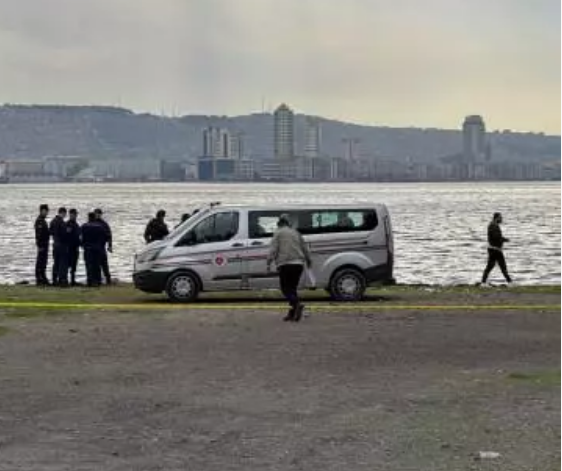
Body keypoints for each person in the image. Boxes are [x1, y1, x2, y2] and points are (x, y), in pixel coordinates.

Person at [267, 214, 312, 322]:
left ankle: (297, 304)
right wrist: (309, 260)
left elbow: (273, 249)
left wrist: (268, 261)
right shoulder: (296, 232)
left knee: (285, 289)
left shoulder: (278, 233)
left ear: (279, 223)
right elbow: (305, 248)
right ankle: (292, 314)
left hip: (285, 264)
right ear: (288, 223)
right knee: (292, 289)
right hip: (298, 265)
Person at [481, 212, 512, 285]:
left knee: (490, 266)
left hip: (494, 249)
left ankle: (483, 282)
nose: (502, 219)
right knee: (502, 266)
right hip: (495, 250)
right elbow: (495, 237)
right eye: (500, 218)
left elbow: (496, 237)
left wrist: (503, 239)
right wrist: (504, 240)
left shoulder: (493, 225)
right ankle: (510, 282)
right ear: (497, 218)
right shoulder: (493, 226)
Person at [81, 212, 106, 287]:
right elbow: (104, 237)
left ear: (88, 218)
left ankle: (90, 281)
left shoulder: (84, 226)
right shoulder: (100, 226)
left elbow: (81, 237)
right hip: (97, 248)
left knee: (89, 265)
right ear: (94, 218)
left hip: (88, 248)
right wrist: (100, 245)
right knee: (97, 265)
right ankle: (98, 281)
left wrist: (83, 245)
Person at [49, 207, 69, 286]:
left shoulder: (53, 221)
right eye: (65, 213)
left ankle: (54, 279)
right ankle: (62, 280)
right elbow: (64, 234)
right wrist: (67, 231)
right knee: (62, 263)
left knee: (56, 263)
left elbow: (50, 232)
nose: (65, 215)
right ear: (63, 213)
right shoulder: (62, 222)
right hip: (62, 245)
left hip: (55, 244)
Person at [94, 208, 112, 284]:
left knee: (104, 264)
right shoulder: (91, 223)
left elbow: (109, 235)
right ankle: (97, 280)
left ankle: (108, 279)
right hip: (94, 247)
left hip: (101, 246)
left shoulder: (104, 224)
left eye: (99, 213)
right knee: (95, 264)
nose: (97, 215)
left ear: (101, 214)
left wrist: (110, 245)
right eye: (96, 213)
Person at [34, 204, 50, 285]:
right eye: (46, 211)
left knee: (44, 261)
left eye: (47, 211)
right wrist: (39, 245)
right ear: (42, 211)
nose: (47, 213)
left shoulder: (43, 220)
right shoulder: (39, 221)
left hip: (45, 244)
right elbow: (39, 235)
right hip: (42, 244)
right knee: (40, 261)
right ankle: (39, 278)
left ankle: (43, 277)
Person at [66, 208, 81, 286]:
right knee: (67, 264)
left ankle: (72, 280)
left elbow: (79, 235)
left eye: (75, 214)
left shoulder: (76, 224)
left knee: (74, 265)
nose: (75, 216)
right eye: (73, 214)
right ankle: (64, 280)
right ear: (70, 214)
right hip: (69, 248)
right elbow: (67, 236)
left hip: (75, 248)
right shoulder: (68, 224)